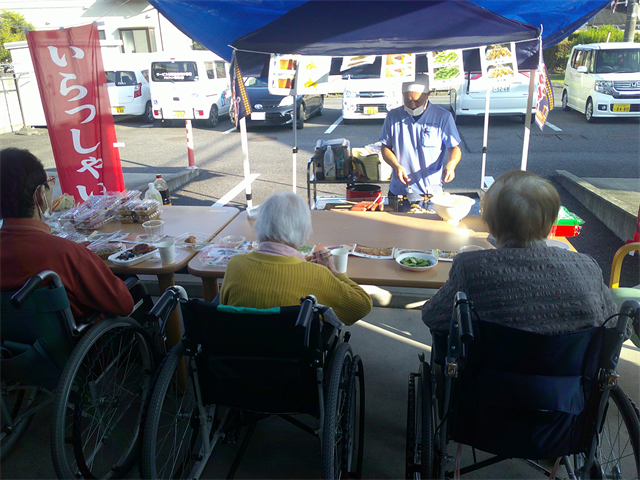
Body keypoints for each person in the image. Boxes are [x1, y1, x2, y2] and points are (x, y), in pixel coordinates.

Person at [422, 170, 618, 335]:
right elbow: (616, 329)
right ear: (552, 225)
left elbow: (433, 317)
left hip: (489, 378)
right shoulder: (588, 268)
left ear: (490, 224)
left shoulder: (471, 268)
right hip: (570, 379)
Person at [0, 147, 134, 319]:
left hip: (14, 343)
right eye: (49, 184)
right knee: (133, 283)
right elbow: (124, 304)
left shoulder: (63, 252)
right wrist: (83, 256)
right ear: (40, 195)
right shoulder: (65, 253)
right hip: (84, 341)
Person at [219, 191, 372, 325]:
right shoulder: (316, 275)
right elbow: (361, 306)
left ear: (260, 225)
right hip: (293, 355)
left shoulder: (235, 265)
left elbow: (224, 309)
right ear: (304, 232)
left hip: (239, 352)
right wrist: (334, 271)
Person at [379, 73, 462, 198]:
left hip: (430, 190)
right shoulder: (393, 116)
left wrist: (451, 165)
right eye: (408, 100)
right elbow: (385, 147)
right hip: (400, 189)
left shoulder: (443, 117)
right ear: (402, 95)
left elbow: (454, 147)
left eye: (417, 101)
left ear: (428, 95)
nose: (412, 105)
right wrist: (396, 166)